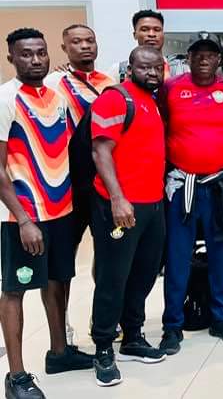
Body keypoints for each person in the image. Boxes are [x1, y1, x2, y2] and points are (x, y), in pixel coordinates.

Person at [0, 28, 93, 399]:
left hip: (61, 211)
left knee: (59, 279)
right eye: (26, 54)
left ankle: (59, 352)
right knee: (15, 290)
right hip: (23, 216)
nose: (35, 60)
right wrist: (23, 219)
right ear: (12, 58)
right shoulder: (6, 98)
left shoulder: (56, 97)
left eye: (40, 53)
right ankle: (17, 377)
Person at [159, 33, 223, 353]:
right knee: (177, 256)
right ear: (188, 57)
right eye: (197, 54)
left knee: (222, 253)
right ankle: (172, 324)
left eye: (210, 54)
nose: (203, 59)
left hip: (219, 184)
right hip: (181, 184)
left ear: (218, 60)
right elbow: (160, 133)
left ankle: (222, 317)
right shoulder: (171, 88)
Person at [88, 46, 168, 386]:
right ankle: (104, 347)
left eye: (157, 68)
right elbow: (100, 150)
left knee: (145, 273)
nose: (152, 73)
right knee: (113, 277)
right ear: (130, 68)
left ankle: (132, 336)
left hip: (153, 203)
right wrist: (118, 199)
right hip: (120, 204)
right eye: (144, 67)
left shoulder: (151, 100)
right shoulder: (116, 98)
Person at [43, 24, 115, 345]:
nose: (84, 46)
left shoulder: (110, 84)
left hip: (102, 183)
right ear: (64, 47)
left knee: (107, 254)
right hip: (65, 185)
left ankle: (101, 320)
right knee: (62, 261)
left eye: (89, 41)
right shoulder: (53, 83)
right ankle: (62, 331)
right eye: (76, 42)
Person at [110, 10, 188, 83]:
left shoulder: (180, 69)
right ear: (135, 35)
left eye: (157, 30)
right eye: (144, 30)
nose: (151, 34)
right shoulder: (119, 71)